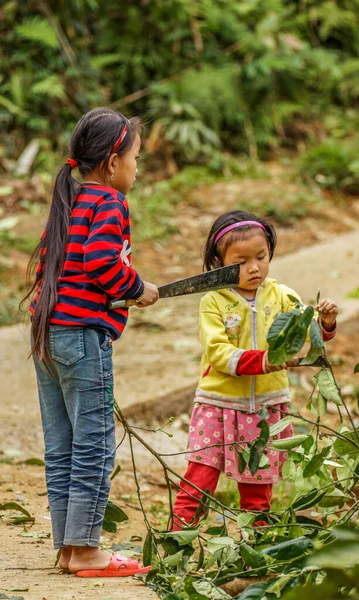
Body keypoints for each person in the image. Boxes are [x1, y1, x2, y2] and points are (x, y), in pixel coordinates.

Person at [23, 108, 158, 577]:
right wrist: (136, 288)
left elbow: (56, 270)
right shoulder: (109, 203)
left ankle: (68, 547)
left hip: (48, 338)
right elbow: (102, 261)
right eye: (136, 157)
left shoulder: (70, 203)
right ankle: (85, 551)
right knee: (95, 445)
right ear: (112, 162)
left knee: (62, 446)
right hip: (81, 338)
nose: (137, 168)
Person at [172, 210, 338, 529]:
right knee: (198, 483)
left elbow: (307, 329)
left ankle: (253, 567)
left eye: (261, 257)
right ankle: (169, 554)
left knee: (257, 496)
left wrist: (326, 322)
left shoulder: (282, 296)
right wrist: (265, 361)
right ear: (219, 263)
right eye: (242, 260)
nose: (254, 267)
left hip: (264, 412)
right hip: (216, 405)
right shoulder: (214, 301)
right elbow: (219, 353)